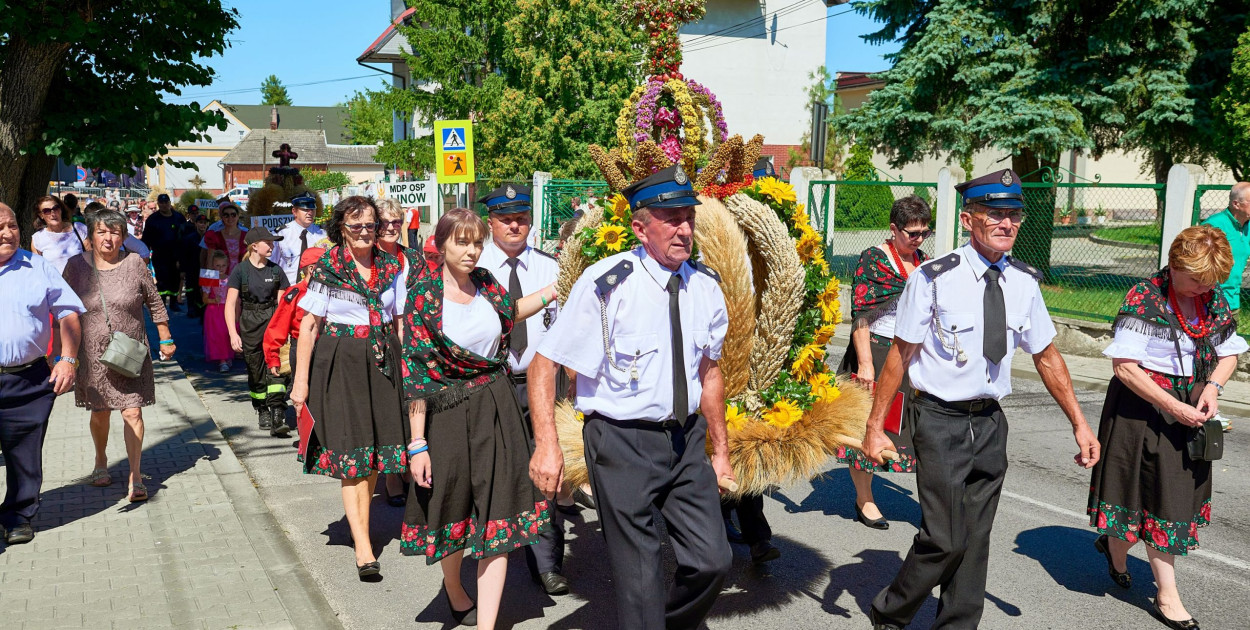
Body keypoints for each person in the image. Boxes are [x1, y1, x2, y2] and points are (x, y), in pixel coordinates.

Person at [861, 169, 1100, 630]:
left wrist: (1079, 422)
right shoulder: (934, 278)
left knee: (975, 539)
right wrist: (875, 429)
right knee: (945, 537)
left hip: (990, 422)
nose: (1006, 223)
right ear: (969, 220)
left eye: (1014, 215)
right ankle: (890, 611)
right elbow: (899, 355)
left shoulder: (1025, 282)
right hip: (937, 418)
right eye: (995, 214)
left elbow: (1047, 357)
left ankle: (957, 624)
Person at [529, 165, 734, 630]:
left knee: (713, 561)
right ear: (640, 228)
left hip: (684, 440)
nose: (685, 228)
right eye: (671, 218)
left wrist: (720, 452)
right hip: (621, 443)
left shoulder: (706, 286)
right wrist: (547, 444)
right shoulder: (608, 284)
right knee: (640, 579)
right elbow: (546, 362)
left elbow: (710, 372)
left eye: (689, 217)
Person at [399, 208, 557, 630]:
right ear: (441, 244)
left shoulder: (488, 284)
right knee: (451, 511)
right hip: (445, 414)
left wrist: (559, 288)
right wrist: (417, 444)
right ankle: (454, 589)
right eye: (462, 243)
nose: (471, 252)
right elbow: (415, 374)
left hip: (497, 407)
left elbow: (512, 312)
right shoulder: (423, 295)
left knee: (497, 515)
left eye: (476, 243)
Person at [1088, 226, 1245, 630]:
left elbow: (1230, 352)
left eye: (1210, 283)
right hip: (1140, 409)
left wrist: (1212, 386)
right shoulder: (1145, 297)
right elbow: (1124, 368)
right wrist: (1173, 404)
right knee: (1150, 498)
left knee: (1166, 500)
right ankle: (1167, 596)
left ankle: (1115, 545)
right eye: (1197, 280)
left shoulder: (1209, 296)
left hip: (1188, 406)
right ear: (1175, 266)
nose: (1203, 290)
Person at [290, 196, 407, 579]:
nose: (364, 232)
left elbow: (400, 322)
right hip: (341, 364)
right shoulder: (328, 266)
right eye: (356, 226)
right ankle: (363, 545)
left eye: (370, 225)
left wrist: (410, 370)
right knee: (353, 458)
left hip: (383, 363)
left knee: (373, 455)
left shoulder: (392, 266)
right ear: (342, 227)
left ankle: (363, 528)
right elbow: (309, 325)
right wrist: (300, 383)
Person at [476, 183, 572, 595]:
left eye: (521, 218)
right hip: (492, 382)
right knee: (494, 470)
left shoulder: (552, 268)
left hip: (541, 383)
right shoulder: (474, 267)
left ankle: (547, 562)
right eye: (505, 218)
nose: (515, 225)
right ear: (490, 222)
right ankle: (493, 549)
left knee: (546, 470)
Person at [833, 195, 932, 530]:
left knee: (915, 430)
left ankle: (933, 506)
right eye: (912, 233)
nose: (918, 239)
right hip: (875, 349)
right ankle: (865, 499)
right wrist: (865, 364)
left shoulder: (924, 262)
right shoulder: (873, 260)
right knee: (867, 425)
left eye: (924, 233)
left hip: (909, 353)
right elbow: (860, 314)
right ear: (893, 229)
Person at [62, 209, 175, 503]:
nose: (108, 238)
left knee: (132, 411)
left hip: (130, 353)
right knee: (100, 412)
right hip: (91, 354)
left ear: (124, 236)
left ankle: (135, 476)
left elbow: (154, 301)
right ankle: (101, 460)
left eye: (115, 232)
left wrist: (166, 337)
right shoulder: (75, 266)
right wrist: (61, 354)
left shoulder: (135, 263)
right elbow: (62, 309)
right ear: (90, 237)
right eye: (101, 232)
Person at [0, 203, 84, 545]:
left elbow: (68, 314)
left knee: (24, 453)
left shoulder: (37, 266)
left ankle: (18, 515)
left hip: (29, 379)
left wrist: (67, 360)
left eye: (12, 225)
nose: (7, 233)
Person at [375, 198, 423, 506]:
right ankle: (392, 475)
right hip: (381, 340)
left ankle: (410, 468)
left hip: (413, 337)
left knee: (414, 404)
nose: (392, 227)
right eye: (386, 222)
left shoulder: (414, 259)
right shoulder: (370, 260)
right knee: (389, 409)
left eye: (397, 222)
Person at [224, 227, 291, 437]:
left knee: (277, 366)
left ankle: (278, 414)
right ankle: (261, 408)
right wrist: (233, 334)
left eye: (273, 243)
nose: (272, 246)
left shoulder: (276, 271)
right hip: (249, 322)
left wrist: (286, 330)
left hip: (273, 321)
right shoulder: (240, 271)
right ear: (255, 246)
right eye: (268, 243)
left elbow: (282, 305)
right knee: (255, 370)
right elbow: (230, 304)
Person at [1198, 181, 1249, 432]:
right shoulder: (1215, 225)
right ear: (1236, 203)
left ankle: (1210, 405)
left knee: (1224, 357)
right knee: (1207, 356)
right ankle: (1204, 407)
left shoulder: (1246, 226)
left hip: (1233, 302)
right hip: (1209, 300)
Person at [263, 247, 325, 381]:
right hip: (301, 349)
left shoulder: (331, 292)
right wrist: (273, 357)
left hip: (327, 348)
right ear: (312, 269)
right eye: (327, 267)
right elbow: (277, 327)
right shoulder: (295, 294)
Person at [140, 193, 187, 311]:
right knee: (162, 279)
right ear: (158, 204)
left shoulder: (178, 217)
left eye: (166, 202)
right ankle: (162, 304)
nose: (164, 205)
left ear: (170, 203)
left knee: (175, 279)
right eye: (161, 203)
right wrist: (144, 255)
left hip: (176, 255)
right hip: (160, 255)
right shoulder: (153, 219)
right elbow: (146, 238)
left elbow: (185, 236)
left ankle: (173, 302)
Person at [270, 193, 327, 285]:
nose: (310, 213)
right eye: (305, 209)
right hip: (287, 288)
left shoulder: (322, 235)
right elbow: (272, 264)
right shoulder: (281, 234)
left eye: (312, 209)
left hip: (314, 289)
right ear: (294, 211)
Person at [30, 196, 88, 274]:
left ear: (61, 209)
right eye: (47, 211)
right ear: (41, 215)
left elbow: (92, 259)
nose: (53, 213)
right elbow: (39, 270)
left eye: (56, 208)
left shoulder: (79, 228)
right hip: (54, 285)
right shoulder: (37, 239)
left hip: (80, 284)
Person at [202, 251, 234, 372]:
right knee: (218, 335)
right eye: (217, 265)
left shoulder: (230, 279)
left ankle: (227, 356)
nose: (220, 268)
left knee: (227, 334)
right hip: (215, 311)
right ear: (213, 265)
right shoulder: (210, 277)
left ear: (227, 265)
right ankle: (222, 360)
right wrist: (214, 300)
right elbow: (204, 299)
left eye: (223, 266)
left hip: (228, 309)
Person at [201, 201, 247, 273]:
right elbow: (210, 261)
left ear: (238, 216)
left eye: (233, 215)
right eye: (226, 215)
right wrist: (208, 280)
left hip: (242, 278)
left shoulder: (247, 235)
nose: (230, 218)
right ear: (222, 217)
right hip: (221, 279)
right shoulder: (214, 236)